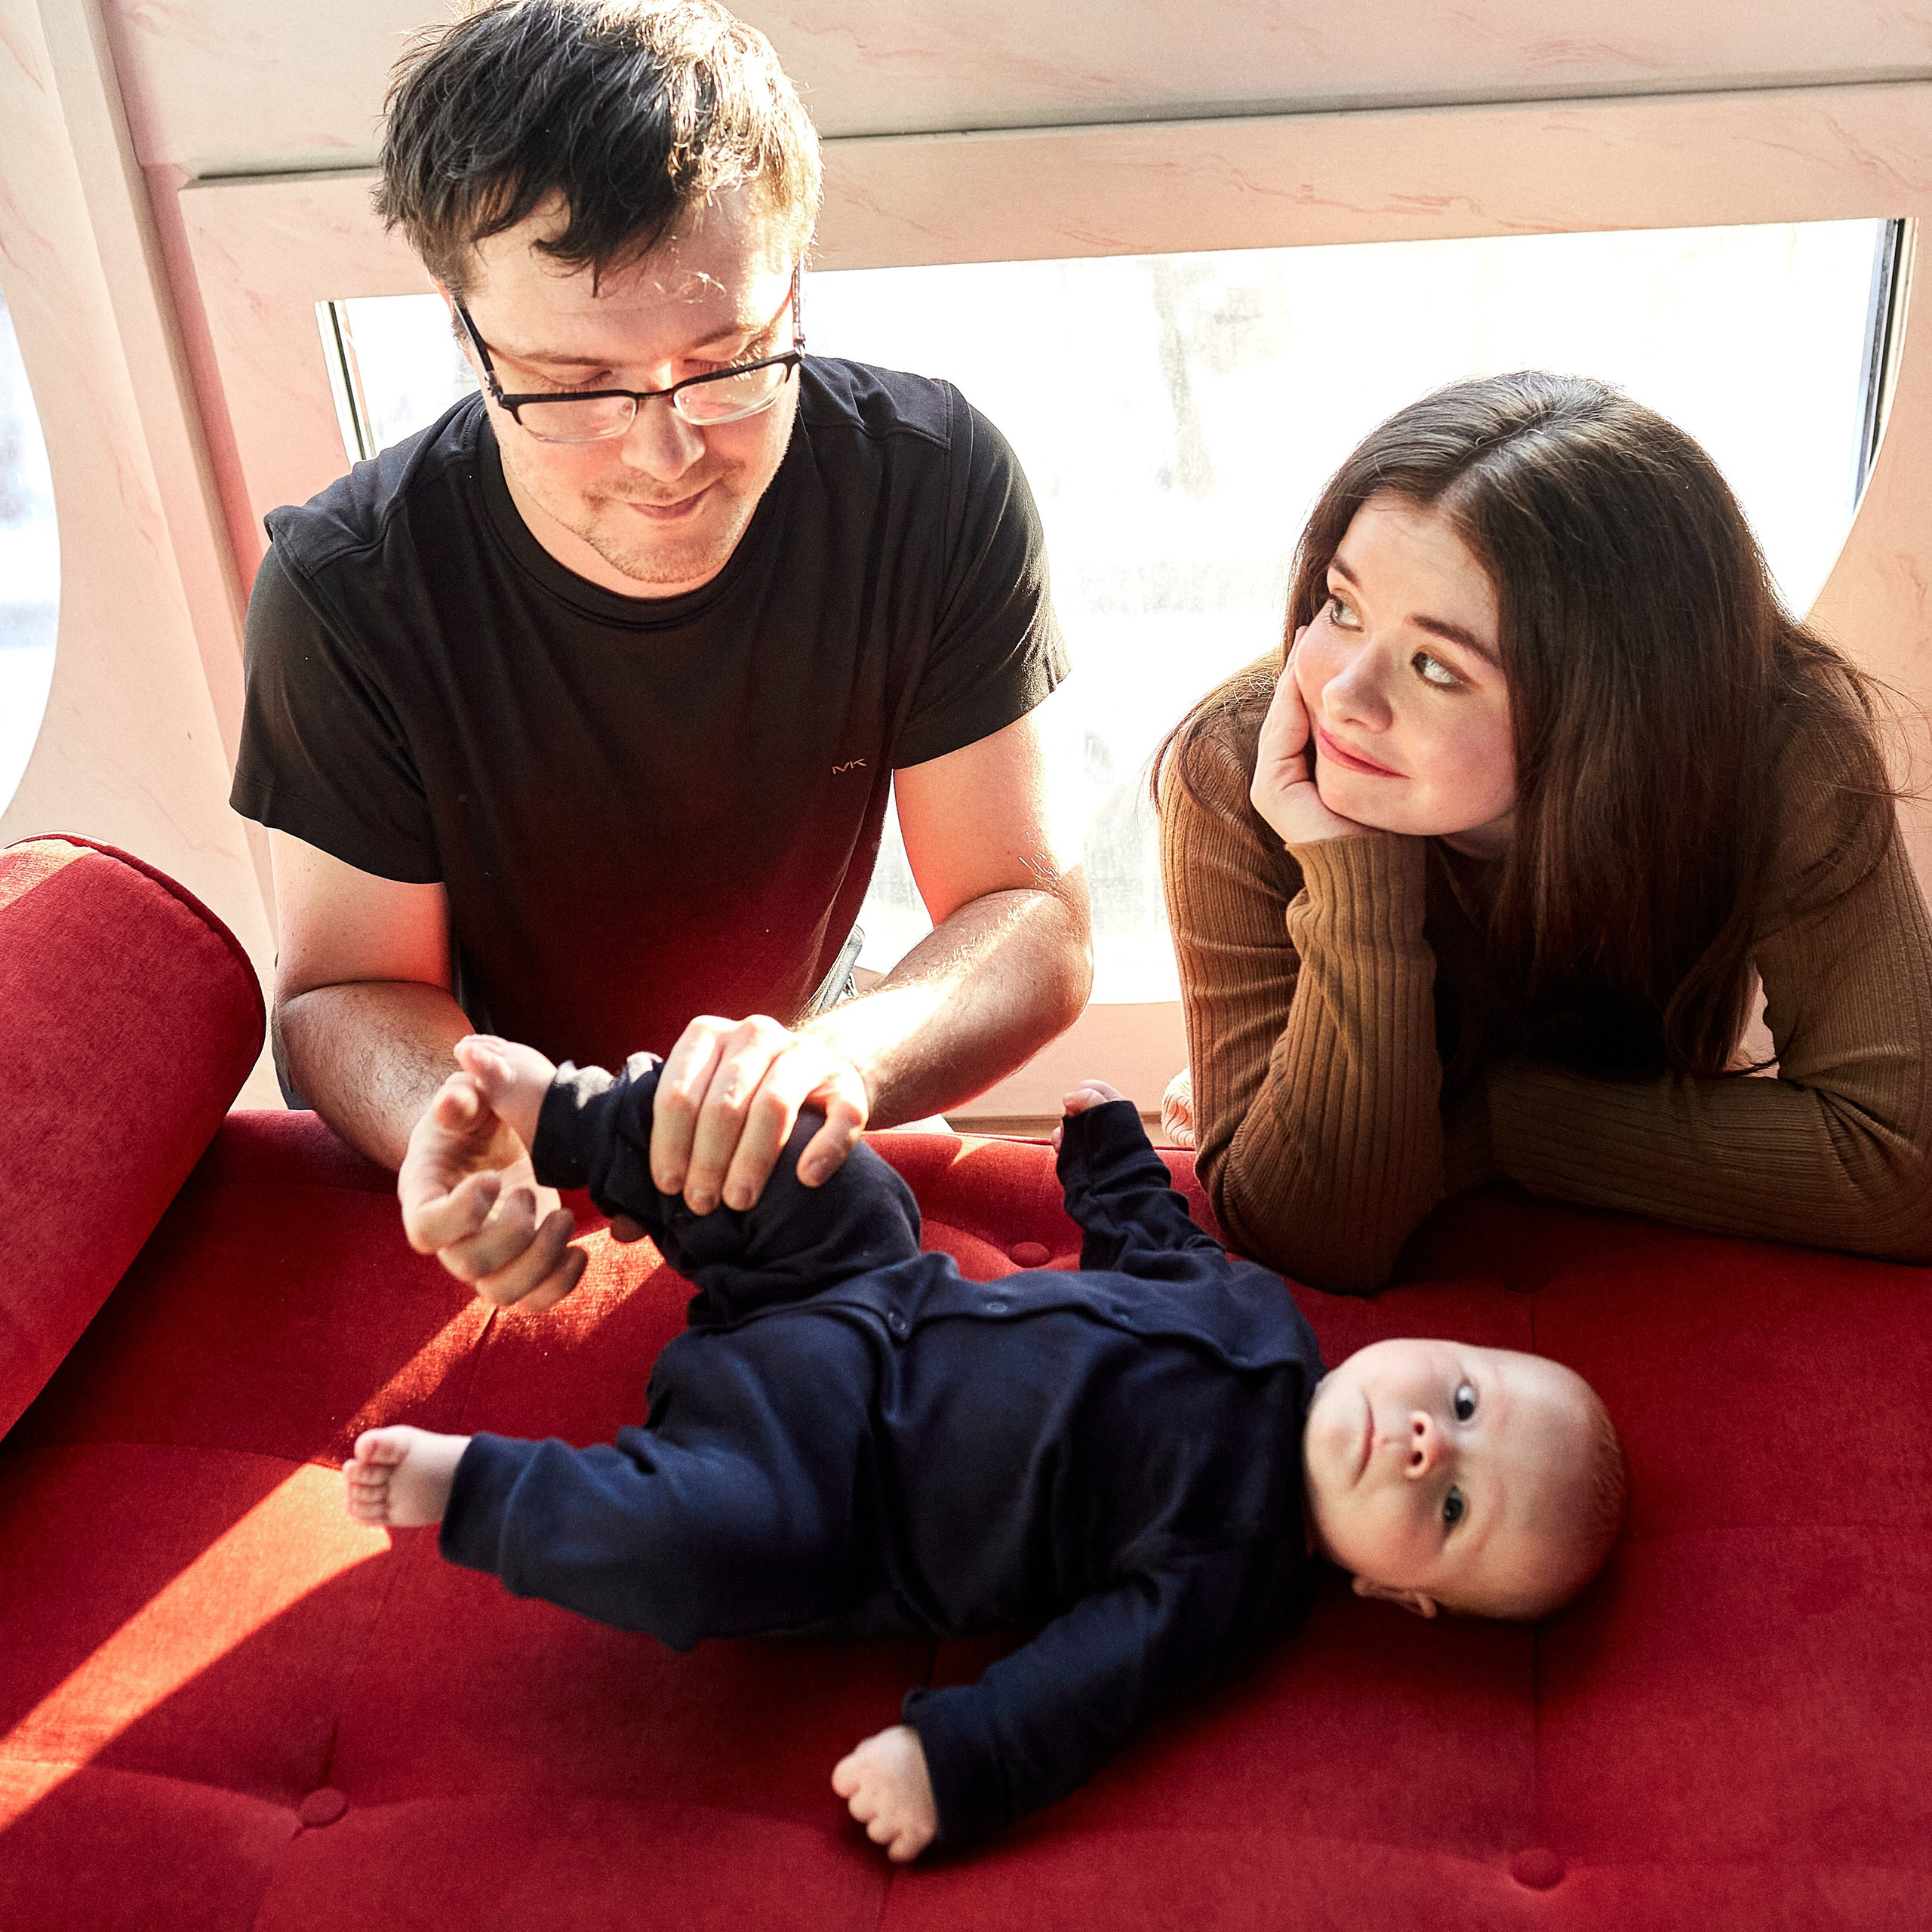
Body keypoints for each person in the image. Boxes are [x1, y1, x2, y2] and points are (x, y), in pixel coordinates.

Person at [230, 0, 1091, 1315]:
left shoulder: (928, 481)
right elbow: (348, 989)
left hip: (799, 1094)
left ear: (794, 284)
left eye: (732, 360)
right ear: (463, 334)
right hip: (494, 1153)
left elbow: (1027, 912)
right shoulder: (351, 588)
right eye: (575, 387)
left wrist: (823, 1067)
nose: (668, 453)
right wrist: (452, 1138)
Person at [343, 1032, 1626, 1859]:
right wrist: (1112, 1157)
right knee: (834, 1178)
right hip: (852, 1293)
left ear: (1397, 1595)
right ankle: (559, 1116)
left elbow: (1087, 1685)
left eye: (1453, 1508)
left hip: (830, 1492)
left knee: (702, 1552)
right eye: (1458, 1404)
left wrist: (953, 1763)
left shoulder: (1233, 1574)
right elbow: (1163, 1255)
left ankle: (479, 1493)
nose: (1417, 1447)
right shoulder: (1268, 1321)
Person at [1157, 371, 1932, 1294]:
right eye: (1342, 606)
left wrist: (1493, 1123)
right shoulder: (1240, 768)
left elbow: (1897, 1168)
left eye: (1436, 667)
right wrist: (1353, 871)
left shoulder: (1773, 744)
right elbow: (1320, 1237)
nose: (1341, 696)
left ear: (1610, 709)